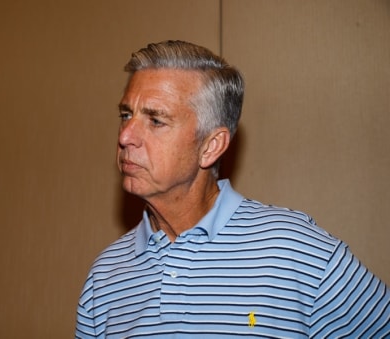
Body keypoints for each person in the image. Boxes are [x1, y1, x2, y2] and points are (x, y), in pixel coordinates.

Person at [76, 40, 390, 338]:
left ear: (211, 147)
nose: (126, 135)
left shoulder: (294, 250)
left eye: (156, 120)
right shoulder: (105, 276)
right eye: (126, 114)